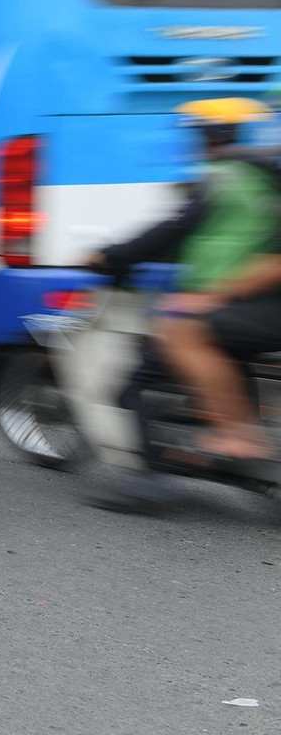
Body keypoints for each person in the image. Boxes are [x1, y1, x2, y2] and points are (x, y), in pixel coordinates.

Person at [92, 98, 281, 468]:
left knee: (174, 332)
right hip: (254, 301)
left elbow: (174, 229)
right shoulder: (264, 180)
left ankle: (228, 440)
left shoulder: (229, 178)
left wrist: (112, 256)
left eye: (199, 135)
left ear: (214, 136)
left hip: (253, 302)